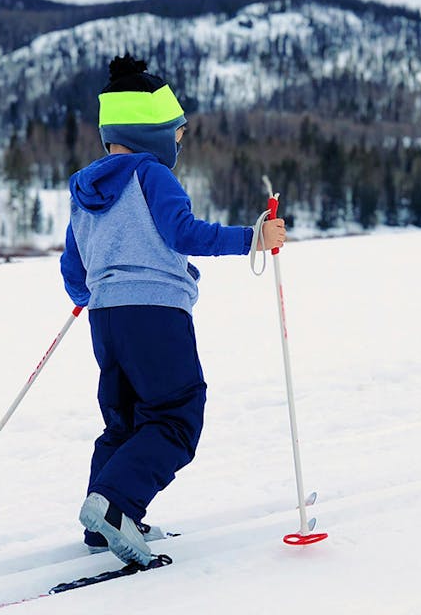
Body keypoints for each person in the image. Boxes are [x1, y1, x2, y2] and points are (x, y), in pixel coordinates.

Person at [60, 53, 285, 566]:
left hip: (106, 319)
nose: (179, 144)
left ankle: (108, 521)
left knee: (125, 420)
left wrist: (85, 296)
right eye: (177, 134)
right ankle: (116, 506)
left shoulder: (84, 188)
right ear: (152, 131)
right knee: (176, 414)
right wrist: (253, 237)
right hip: (156, 313)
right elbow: (184, 233)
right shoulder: (151, 174)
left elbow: (74, 265)